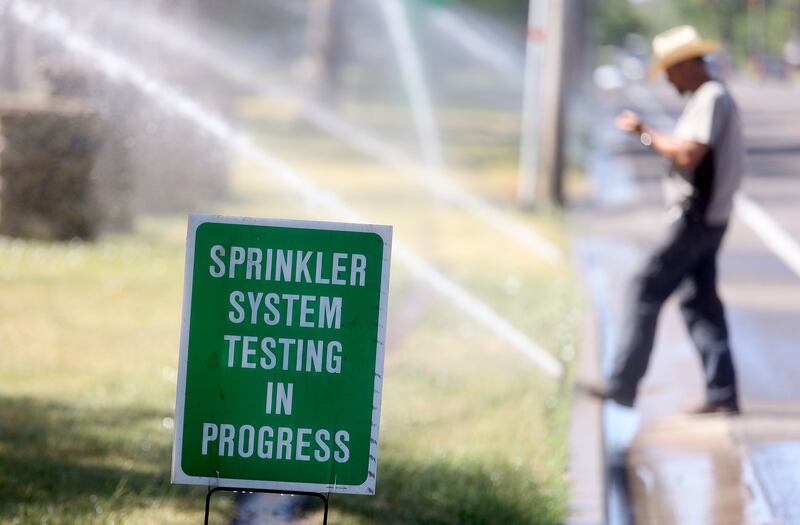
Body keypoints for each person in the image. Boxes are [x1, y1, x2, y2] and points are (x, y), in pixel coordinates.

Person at [583, 25, 744, 414]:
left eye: (671, 70)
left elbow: (689, 154)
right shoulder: (713, 96)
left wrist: (645, 134)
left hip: (694, 218)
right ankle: (722, 394)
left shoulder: (710, 97)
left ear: (688, 64)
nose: (669, 79)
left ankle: (622, 385)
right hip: (712, 219)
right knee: (700, 302)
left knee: (644, 287)